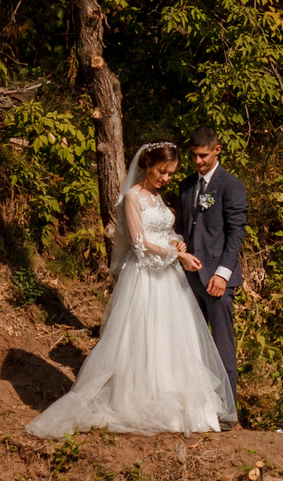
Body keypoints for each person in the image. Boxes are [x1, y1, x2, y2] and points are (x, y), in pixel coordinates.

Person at [24, 141, 235, 437]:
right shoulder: (132, 198)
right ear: (147, 165)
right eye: (162, 172)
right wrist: (178, 255)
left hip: (168, 279)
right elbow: (139, 243)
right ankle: (141, 401)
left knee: (171, 341)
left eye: (171, 174)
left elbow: (160, 232)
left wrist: (175, 241)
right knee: (143, 337)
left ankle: (175, 404)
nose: (166, 179)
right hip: (146, 278)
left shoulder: (157, 198)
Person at [170, 126, 247, 421]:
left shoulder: (231, 185)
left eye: (202, 155)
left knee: (222, 348)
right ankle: (199, 411)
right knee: (192, 347)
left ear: (217, 150)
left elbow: (235, 233)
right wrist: (178, 246)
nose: (197, 161)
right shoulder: (187, 186)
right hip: (188, 279)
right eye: (193, 156)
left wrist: (223, 274)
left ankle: (227, 412)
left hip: (217, 280)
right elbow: (184, 226)